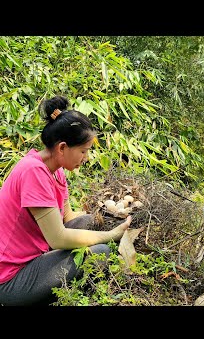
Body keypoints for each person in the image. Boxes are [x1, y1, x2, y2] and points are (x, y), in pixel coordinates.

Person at [0, 95, 133, 306]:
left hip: (36, 256)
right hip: (10, 280)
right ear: (62, 148)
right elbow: (58, 238)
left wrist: (110, 213)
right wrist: (110, 235)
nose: (86, 158)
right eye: (83, 151)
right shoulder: (33, 172)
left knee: (89, 221)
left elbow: (68, 217)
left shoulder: (55, 171)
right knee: (101, 252)